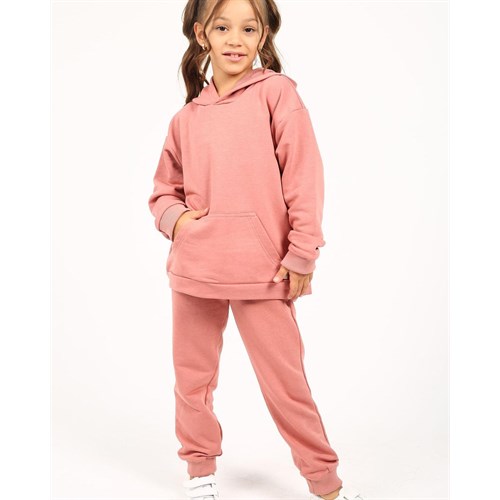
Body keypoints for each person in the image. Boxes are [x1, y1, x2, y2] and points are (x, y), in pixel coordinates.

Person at [148, 1, 365, 499]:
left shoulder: (277, 94)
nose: (235, 39)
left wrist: (302, 252)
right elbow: (162, 190)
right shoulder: (186, 118)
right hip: (195, 269)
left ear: (263, 36)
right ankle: (199, 473)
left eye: (249, 29)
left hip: (265, 269)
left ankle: (325, 484)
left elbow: (304, 176)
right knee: (193, 380)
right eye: (222, 27)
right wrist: (176, 220)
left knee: (286, 384)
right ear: (201, 34)